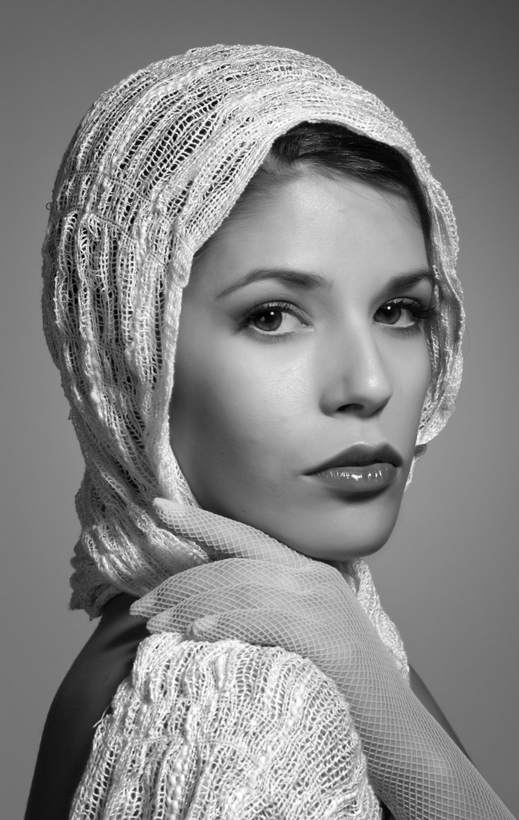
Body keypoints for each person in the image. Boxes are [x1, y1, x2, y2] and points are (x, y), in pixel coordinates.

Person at [27, 45, 515, 819]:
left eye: (398, 311)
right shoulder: (252, 705)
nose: (368, 384)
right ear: (129, 357)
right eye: (272, 316)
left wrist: (366, 676)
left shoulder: (331, 635)